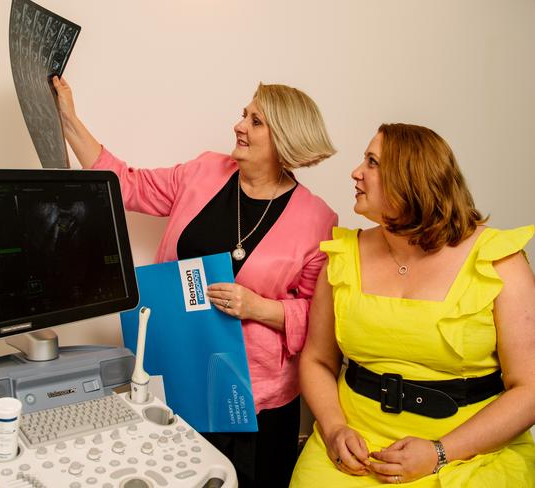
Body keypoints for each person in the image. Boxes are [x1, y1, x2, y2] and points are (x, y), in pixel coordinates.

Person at [53, 76, 338, 487]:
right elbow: (125, 183)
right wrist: (69, 119)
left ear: (285, 141)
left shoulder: (317, 220)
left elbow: (320, 316)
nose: (239, 126)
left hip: (253, 399)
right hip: (176, 374)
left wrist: (257, 306)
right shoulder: (204, 171)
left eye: (255, 121)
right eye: (244, 114)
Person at [290, 123, 535, 487]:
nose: (356, 173)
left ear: (411, 181)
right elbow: (317, 360)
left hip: (471, 454)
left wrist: (440, 452)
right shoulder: (343, 255)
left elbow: (528, 388)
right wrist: (333, 428)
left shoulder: (499, 261)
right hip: (356, 452)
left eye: (372, 162)